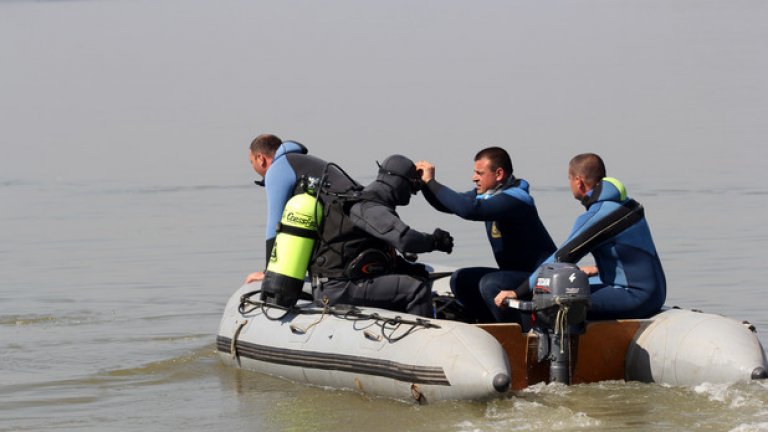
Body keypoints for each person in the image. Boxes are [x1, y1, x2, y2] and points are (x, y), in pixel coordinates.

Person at [493, 153, 667, 320]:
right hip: (655, 293)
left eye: (569, 179)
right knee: (570, 289)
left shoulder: (599, 216)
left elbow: (561, 259)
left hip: (635, 296)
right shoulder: (625, 204)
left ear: (579, 181)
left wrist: (517, 292)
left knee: (552, 304)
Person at [416, 147, 556, 324]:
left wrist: (432, 182)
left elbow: (469, 210)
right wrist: (425, 184)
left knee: (490, 284)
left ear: (498, 174)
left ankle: (517, 334)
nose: (474, 178)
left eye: (479, 173)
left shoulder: (517, 200)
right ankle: (488, 326)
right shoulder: (488, 196)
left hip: (539, 279)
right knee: (461, 279)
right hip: (515, 276)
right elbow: (447, 204)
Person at [310, 154, 455, 317]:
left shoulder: (376, 205)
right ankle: (428, 338)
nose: (412, 194)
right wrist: (434, 241)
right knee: (416, 289)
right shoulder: (367, 207)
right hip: (338, 288)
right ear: (399, 182)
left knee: (419, 274)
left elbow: (377, 252)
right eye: (413, 186)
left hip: (349, 281)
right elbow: (405, 240)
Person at [244, 134, 356, 284]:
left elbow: (274, 224)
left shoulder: (278, 169)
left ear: (261, 159)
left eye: (251, 162)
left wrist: (269, 273)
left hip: (340, 236)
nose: (253, 166)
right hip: (351, 230)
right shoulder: (303, 162)